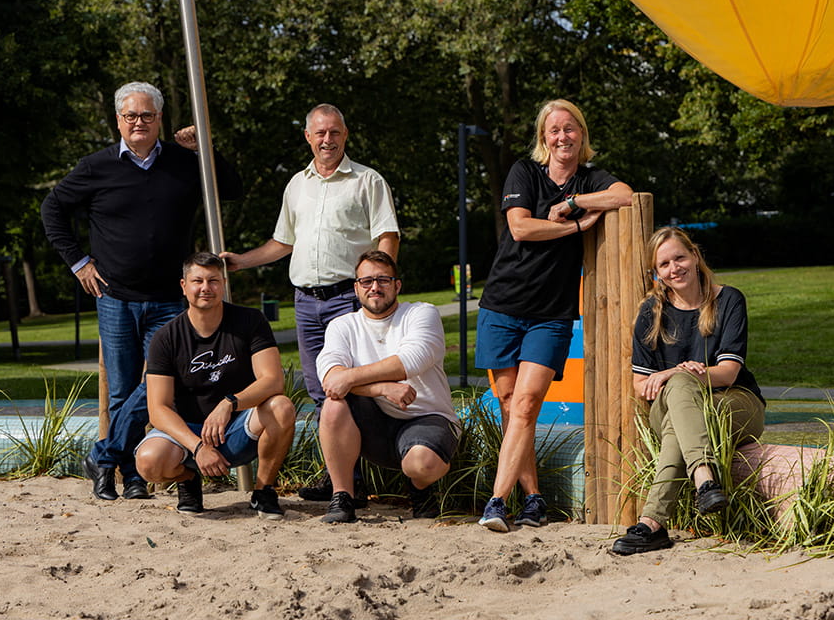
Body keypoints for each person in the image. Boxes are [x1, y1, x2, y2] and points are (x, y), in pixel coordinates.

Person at [41, 81, 244, 501]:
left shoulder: (183, 163)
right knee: (122, 391)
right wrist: (79, 263)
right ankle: (130, 476)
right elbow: (52, 208)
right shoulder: (96, 167)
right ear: (118, 120)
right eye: (131, 115)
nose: (139, 122)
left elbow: (231, 191)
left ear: (159, 119)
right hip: (115, 297)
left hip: (170, 299)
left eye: (147, 115)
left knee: (160, 384)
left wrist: (206, 149)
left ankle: (103, 457)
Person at [221, 104, 399, 502]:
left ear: (345, 135)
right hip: (305, 302)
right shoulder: (296, 185)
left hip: (347, 298)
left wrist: (380, 286)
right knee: (321, 391)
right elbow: (283, 242)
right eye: (320, 133)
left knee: (348, 387)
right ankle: (339, 477)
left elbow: (388, 236)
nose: (327, 140)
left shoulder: (367, 180)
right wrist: (242, 261)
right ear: (308, 137)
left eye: (334, 132)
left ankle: (352, 481)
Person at [476, 99, 634, 532]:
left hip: (551, 314)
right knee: (510, 405)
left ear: (581, 134)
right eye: (554, 130)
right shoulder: (524, 172)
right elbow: (521, 227)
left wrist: (574, 201)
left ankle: (496, 502)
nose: (562, 137)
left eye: (570, 128)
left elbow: (624, 196)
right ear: (543, 139)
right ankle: (534, 499)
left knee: (527, 403)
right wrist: (578, 225)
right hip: (502, 304)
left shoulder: (590, 179)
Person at [611, 227, 765, 555]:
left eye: (679, 258)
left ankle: (651, 524)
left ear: (695, 256)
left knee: (680, 408)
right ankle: (705, 481)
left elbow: (728, 373)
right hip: (671, 407)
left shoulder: (729, 300)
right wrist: (678, 375)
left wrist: (675, 372)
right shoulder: (651, 312)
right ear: (657, 272)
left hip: (735, 402)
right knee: (681, 390)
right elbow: (642, 384)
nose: (674, 268)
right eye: (664, 264)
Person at [134, 252, 296, 519]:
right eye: (197, 281)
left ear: (224, 284)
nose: (205, 288)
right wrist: (198, 447)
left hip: (237, 427)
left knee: (282, 406)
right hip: (189, 433)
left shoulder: (250, 321)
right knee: (148, 462)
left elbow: (272, 380)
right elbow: (158, 409)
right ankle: (188, 479)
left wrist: (229, 403)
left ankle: (263, 491)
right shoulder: (165, 338)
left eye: (213, 280)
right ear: (184, 286)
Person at [315, 250, 461, 523]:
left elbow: (411, 360)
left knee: (423, 464)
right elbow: (331, 380)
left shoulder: (421, 313)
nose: (374, 287)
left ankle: (420, 489)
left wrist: (350, 378)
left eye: (383, 280)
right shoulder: (342, 326)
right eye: (366, 281)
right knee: (333, 405)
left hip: (426, 417)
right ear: (356, 288)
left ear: (397, 285)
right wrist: (381, 389)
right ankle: (342, 496)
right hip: (372, 424)